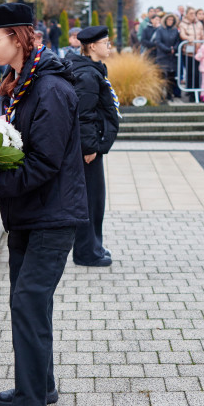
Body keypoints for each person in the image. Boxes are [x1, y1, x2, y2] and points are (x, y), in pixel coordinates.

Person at [0, 2, 87, 406]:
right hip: (30, 214)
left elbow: (44, 163)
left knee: (27, 303)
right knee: (28, 302)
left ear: (19, 37)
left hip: (52, 215)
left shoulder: (48, 89)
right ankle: (41, 385)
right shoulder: (23, 82)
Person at [67, 26, 120, 268]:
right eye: (106, 42)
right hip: (87, 149)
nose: (109, 46)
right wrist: (89, 147)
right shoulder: (87, 75)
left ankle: (93, 246)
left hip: (91, 145)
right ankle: (87, 252)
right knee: (91, 201)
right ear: (92, 46)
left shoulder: (93, 69)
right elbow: (83, 115)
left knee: (94, 200)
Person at [178, 7, 204, 101]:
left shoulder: (199, 23)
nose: (192, 15)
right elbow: (182, 34)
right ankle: (190, 91)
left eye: (194, 13)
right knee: (190, 72)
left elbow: (202, 35)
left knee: (197, 72)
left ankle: (197, 91)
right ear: (186, 14)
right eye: (190, 13)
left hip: (198, 51)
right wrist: (188, 38)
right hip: (188, 51)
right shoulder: (183, 24)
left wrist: (201, 44)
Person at [153, 13, 181, 100]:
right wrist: (168, 49)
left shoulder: (175, 30)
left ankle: (169, 94)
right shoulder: (160, 30)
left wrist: (174, 49)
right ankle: (160, 94)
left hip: (172, 58)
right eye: (169, 20)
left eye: (172, 20)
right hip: (162, 56)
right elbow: (158, 42)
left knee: (171, 77)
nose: (170, 21)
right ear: (165, 20)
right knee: (161, 76)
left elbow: (177, 41)